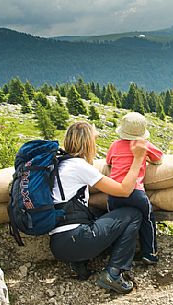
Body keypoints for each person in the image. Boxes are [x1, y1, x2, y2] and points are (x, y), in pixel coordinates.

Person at [49, 121, 147, 294]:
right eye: (94, 138)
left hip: (58, 244)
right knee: (133, 214)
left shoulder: (60, 164)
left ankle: (79, 265)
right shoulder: (79, 166)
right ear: (88, 143)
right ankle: (114, 273)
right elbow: (124, 190)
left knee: (97, 212)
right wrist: (138, 158)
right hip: (76, 240)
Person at [106, 112, 164, 265]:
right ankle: (150, 254)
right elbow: (159, 159)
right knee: (147, 220)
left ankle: (115, 254)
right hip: (136, 192)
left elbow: (108, 162)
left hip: (114, 191)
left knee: (115, 222)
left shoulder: (114, 145)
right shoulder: (143, 145)